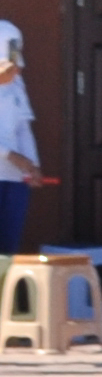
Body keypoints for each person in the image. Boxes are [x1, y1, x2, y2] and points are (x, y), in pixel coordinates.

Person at [0, 15, 40, 253]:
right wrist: (11, 156)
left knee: (6, 253)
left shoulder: (17, 85)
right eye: (9, 62)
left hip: (14, 181)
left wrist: (32, 164)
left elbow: (24, 127)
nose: (18, 68)